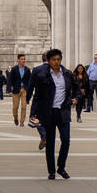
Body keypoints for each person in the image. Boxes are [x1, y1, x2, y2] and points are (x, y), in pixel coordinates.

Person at [28, 48, 75, 179]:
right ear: (48, 61)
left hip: (63, 111)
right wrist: (33, 112)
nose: (56, 62)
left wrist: (75, 99)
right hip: (48, 113)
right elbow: (37, 95)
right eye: (54, 60)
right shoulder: (42, 75)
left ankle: (61, 167)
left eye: (59, 59)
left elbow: (76, 89)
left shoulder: (66, 74)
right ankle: (51, 171)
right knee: (50, 143)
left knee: (66, 140)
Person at [7, 53, 32, 126]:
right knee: (15, 107)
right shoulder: (14, 69)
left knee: (24, 107)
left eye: (24, 59)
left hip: (24, 90)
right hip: (16, 90)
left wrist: (30, 90)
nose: (23, 60)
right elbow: (9, 80)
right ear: (18, 60)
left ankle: (22, 122)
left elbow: (30, 81)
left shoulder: (27, 69)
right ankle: (15, 118)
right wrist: (9, 90)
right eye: (22, 59)